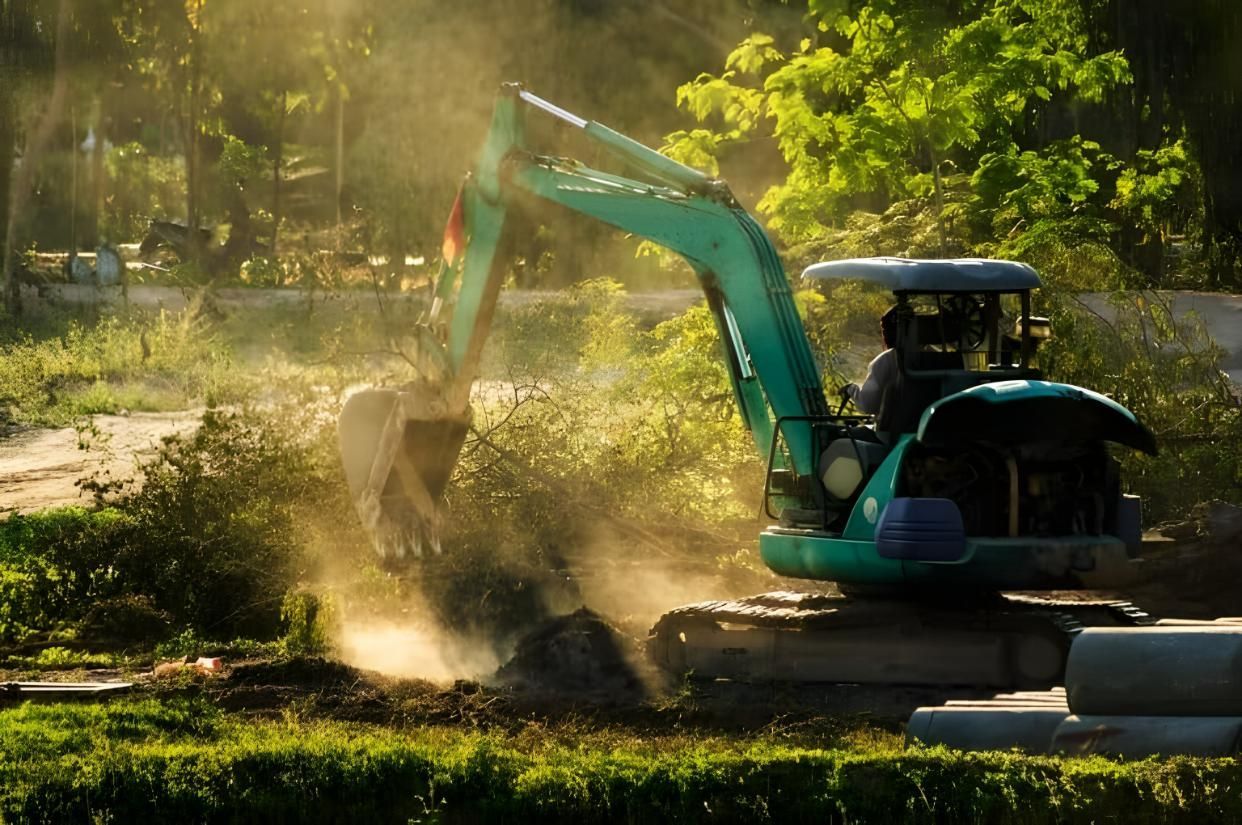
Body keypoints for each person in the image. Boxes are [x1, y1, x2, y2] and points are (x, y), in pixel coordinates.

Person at [840, 306, 900, 415]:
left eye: (885, 330)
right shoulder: (937, 356)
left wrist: (851, 390)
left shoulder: (885, 361)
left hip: (894, 429)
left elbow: (868, 405)